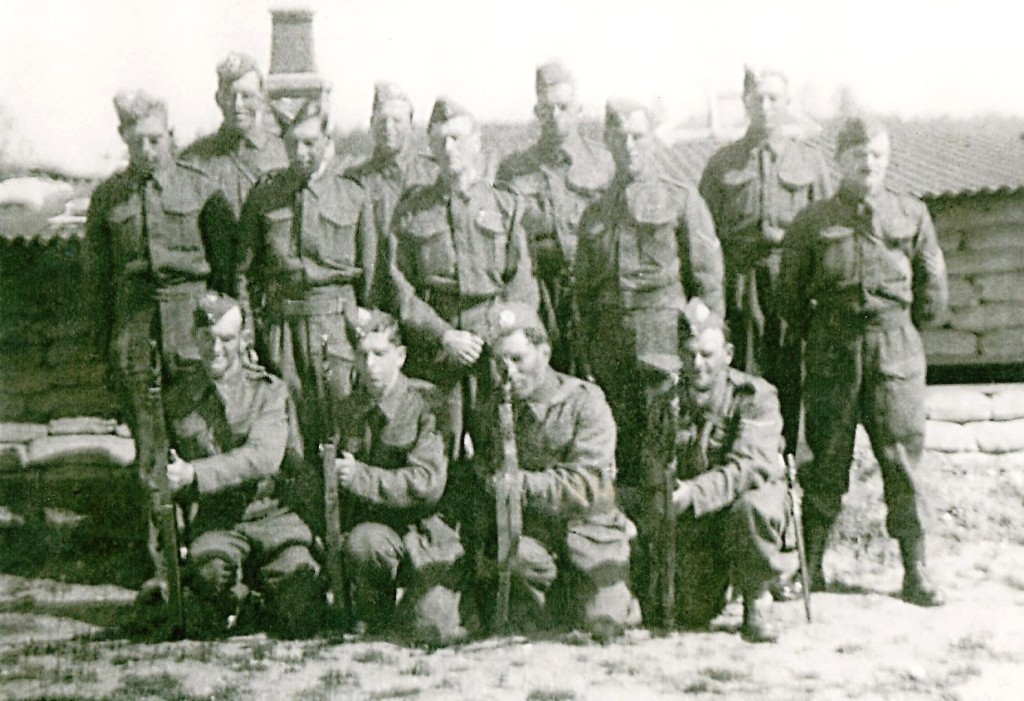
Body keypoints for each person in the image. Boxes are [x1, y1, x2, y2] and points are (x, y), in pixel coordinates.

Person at [781, 116, 948, 607]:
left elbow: (932, 292)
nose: (868, 164)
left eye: (876, 154)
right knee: (825, 460)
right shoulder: (812, 223)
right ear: (840, 161)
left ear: (887, 157)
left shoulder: (911, 213)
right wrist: (829, 334)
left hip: (894, 347)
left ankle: (915, 570)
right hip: (834, 351)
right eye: (858, 156)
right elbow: (789, 298)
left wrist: (896, 327)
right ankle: (812, 568)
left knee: (902, 461)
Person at [84, 90, 226, 586]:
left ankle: (212, 557)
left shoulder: (202, 188)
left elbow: (227, 273)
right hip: (136, 329)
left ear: (171, 137)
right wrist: (109, 348)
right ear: (123, 139)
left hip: (193, 328)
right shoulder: (107, 199)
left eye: (157, 139)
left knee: (200, 438)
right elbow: (96, 284)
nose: (148, 149)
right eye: (138, 140)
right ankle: (162, 567)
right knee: (150, 450)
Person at [575, 98, 724, 504]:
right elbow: (584, 296)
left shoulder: (681, 199)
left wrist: (703, 349)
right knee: (620, 453)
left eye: (638, 136)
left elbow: (708, 281)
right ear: (607, 141)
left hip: (665, 349)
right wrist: (590, 354)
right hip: (612, 352)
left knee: (667, 454)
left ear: (653, 138)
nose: (629, 146)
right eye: (619, 137)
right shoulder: (595, 212)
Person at [151, 292, 321, 638]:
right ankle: (238, 598)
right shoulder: (175, 400)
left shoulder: (269, 392)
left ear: (243, 340)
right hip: (217, 522)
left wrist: (195, 474)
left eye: (226, 339)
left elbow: (263, 457)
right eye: (206, 338)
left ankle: (260, 595)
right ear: (194, 338)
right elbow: (160, 475)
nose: (216, 348)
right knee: (212, 578)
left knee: (300, 605)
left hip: (272, 517)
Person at [475, 301, 641, 640]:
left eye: (518, 359)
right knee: (510, 557)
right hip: (535, 536)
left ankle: (616, 596)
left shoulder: (585, 401)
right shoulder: (494, 408)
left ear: (545, 353)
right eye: (499, 362)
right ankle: (555, 602)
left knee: (602, 624)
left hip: (589, 532)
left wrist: (521, 484)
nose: (508, 372)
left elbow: (591, 483)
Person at [389, 97, 539, 467]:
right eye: (440, 141)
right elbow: (400, 286)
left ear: (476, 143)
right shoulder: (412, 210)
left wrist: (494, 333)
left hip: (495, 345)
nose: (449, 149)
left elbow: (520, 283)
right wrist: (443, 335)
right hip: (439, 347)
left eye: (457, 139)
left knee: (501, 444)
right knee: (440, 446)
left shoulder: (504, 205)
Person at [640, 297, 790, 643]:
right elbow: (653, 460)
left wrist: (693, 493)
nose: (697, 364)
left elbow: (750, 467)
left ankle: (758, 599)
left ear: (728, 354)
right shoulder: (667, 400)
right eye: (689, 353)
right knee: (690, 614)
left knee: (753, 506)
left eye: (707, 354)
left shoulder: (755, 397)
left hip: (740, 509)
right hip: (696, 517)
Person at [699, 66, 832, 455]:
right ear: (745, 104)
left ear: (788, 104)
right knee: (742, 378)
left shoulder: (810, 162)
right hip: (740, 288)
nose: (767, 107)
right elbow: (704, 237)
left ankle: (786, 466)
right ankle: (742, 464)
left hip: (792, 286)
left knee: (791, 374)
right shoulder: (722, 165)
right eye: (759, 99)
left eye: (775, 98)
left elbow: (826, 232)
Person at [237, 96, 378, 455]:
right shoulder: (265, 196)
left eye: (310, 143)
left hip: (337, 327)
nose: (300, 152)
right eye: (292, 143)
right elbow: (244, 273)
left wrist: (364, 328)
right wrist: (251, 333)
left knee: (343, 422)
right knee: (291, 426)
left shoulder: (353, 195)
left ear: (327, 143)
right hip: (282, 328)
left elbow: (371, 280)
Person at [332, 308, 466, 644]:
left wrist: (361, 477)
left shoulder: (429, 403)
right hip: (377, 534)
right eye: (362, 356)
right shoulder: (348, 409)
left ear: (401, 356)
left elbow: (427, 483)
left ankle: (423, 602)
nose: (371, 365)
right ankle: (376, 612)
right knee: (364, 543)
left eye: (380, 354)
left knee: (433, 628)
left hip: (426, 534)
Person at [496, 61, 614, 376]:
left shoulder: (603, 163)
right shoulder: (514, 170)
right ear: (537, 112)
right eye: (547, 108)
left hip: (598, 295)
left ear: (579, 109)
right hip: (543, 296)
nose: (556, 115)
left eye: (563, 106)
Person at [180, 52, 289, 296]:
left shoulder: (284, 155)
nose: (238, 104)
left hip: (272, 291)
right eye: (230, 95)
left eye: (247, 96)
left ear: (262, 99)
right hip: (215, 290)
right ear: (218, 99)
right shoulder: (194, 159)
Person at [344, 82, 438, 304]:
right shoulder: (353, 180)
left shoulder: (433, 175)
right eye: (382, 120)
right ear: (371, 124)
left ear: (411, 126)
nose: (388, 127)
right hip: (375, 300)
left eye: (397, 120)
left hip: (426, 302)